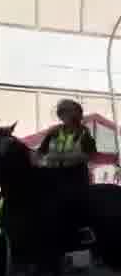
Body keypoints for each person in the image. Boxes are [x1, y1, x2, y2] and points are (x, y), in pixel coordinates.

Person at [37, 98, 96, 243]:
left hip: (74, 175)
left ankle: (84, 229)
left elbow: (88, 155)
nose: (62, 114)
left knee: (77, 199)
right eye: (61, 111)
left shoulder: (83, 132)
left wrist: (60, 157)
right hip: (52, 174)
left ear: (76, 115)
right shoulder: (53, 132)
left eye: (66, 111)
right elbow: (40, 153)